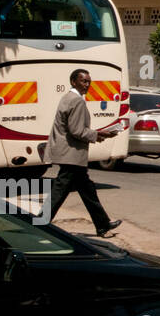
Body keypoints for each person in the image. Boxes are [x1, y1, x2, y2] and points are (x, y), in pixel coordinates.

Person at [43, 69, 121, 237]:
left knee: (87, 190)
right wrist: (99, 134)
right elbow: (77, 130)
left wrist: (96, 135)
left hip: (70, 154)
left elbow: (75, 129)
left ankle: (102, 224)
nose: (87, 85)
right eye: (83, 81)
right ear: (73, 82)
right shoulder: (76, 101)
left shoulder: (67, 98)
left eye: (88, 82)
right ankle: (40, 224)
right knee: (60, 192)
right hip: (71, 154)